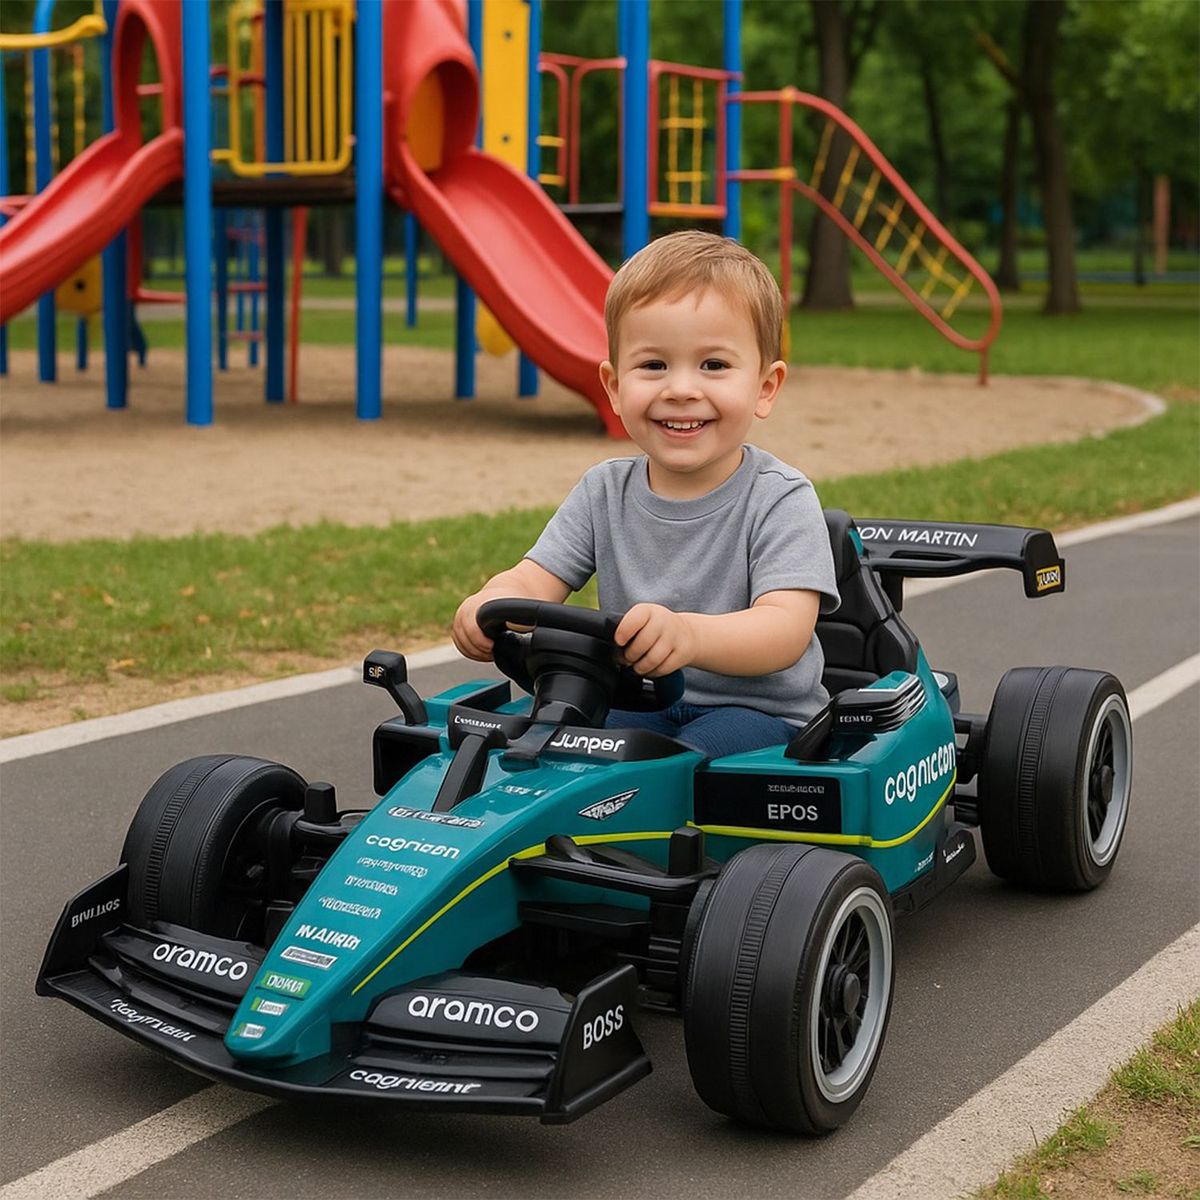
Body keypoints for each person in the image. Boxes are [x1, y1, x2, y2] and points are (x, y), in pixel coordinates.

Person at [453, 230, 839, 758]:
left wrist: (689, 637)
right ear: (614, 387)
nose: (680, 389)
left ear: (765, 388)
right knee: (537, 744)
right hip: (634, 698)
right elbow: (534, 577)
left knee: (675, 766)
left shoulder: (781, 499)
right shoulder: (603, 491)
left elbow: (784, 630)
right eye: (654, 365)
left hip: (760, 714)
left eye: (714, 365)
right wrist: (489, 603)